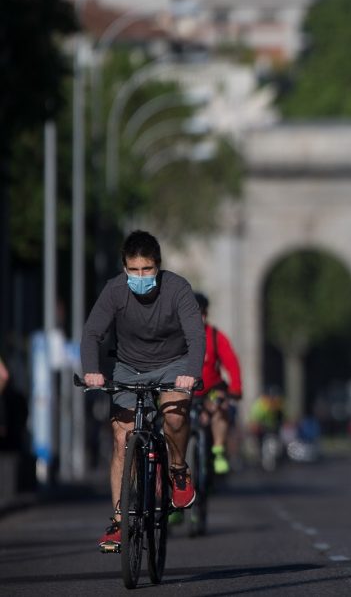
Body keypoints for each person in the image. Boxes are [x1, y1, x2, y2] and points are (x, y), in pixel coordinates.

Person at [82, 230, 205, 549]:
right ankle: (120, 520)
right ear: (124, 268)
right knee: (122, 437)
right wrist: (92, 371)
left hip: (173, 364)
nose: (140, 276)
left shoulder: (178, 289)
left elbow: (196, 337)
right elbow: (93, 333)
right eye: (133, 270)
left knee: (175, 416)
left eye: (147, 270)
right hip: (128, 366)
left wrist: (190, 374)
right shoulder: (114, 291)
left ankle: (178, 470)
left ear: (158, 266)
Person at [193, 293, 243, 475]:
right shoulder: (176, 337)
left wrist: (236, 388)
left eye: (202, 314)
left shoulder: (215, 336)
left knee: (220, 407)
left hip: (211, 388)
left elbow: (231, 363)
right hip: (185, 389)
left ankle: (218, 449)